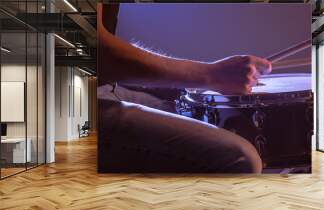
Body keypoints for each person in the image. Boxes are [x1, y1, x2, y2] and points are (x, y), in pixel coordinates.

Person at [97, 4, 272, 173]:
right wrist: (213, 75)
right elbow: (99, 51)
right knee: (240, 158)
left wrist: (176, 82)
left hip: (105, 86)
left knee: (186, 108)